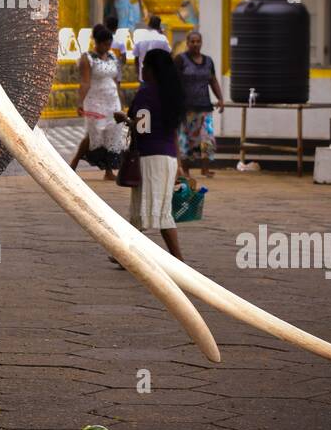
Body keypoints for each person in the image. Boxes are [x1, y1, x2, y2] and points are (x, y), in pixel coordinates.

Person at [114, 48, 185, 260]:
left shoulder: (146, 94)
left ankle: (178, 258)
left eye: (145, 66)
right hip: (168, 157)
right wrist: (179, 164)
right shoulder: (172, 93)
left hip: (149, 156)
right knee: (143, 208)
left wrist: (124, 120)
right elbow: (173, 132)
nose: (142, 70)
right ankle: (125, 256)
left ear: (152, 70)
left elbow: (142, 128)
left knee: (158, 211)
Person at [69, 23, 127, 180]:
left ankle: (109, 171)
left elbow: (116, 81)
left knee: (112, 132)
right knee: (95, 133)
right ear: (98, 42)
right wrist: (80, 102)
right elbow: (85, 82)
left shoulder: (113, 57)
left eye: (109, 44)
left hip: (112, 99)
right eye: (105, 44)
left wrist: (122, 100)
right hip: (95, 100)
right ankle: (73, 163)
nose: (107, 47)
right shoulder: (87, 58)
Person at [175, 29, 224, 178]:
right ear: (187, 43)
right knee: (187, 141)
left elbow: (213, 80)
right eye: (192, 41)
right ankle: (186, 170)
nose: (195, 44)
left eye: (198, 41)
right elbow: (173, 81)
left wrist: (220, 98)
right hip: (186, 108)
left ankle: (206, 168)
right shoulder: (180, 59)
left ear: (201, 43)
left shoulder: (208, 61)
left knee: (207, 139)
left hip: (205, 107)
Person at [132, 14, 170, 78]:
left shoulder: (141, 38)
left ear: (148, 25)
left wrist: (138, 73)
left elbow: (136, 58)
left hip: (143, 74)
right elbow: (168, 55)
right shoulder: (163, 38)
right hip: (158, 74)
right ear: (159, 26)